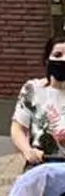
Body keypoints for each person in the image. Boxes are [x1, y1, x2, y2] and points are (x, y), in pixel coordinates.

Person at [10, 34, 65, 168]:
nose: (63, 59)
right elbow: (17, 128)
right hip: (41, 165)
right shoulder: (33, 89)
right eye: (57, 55)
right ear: (47, 60)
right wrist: (27, 151)